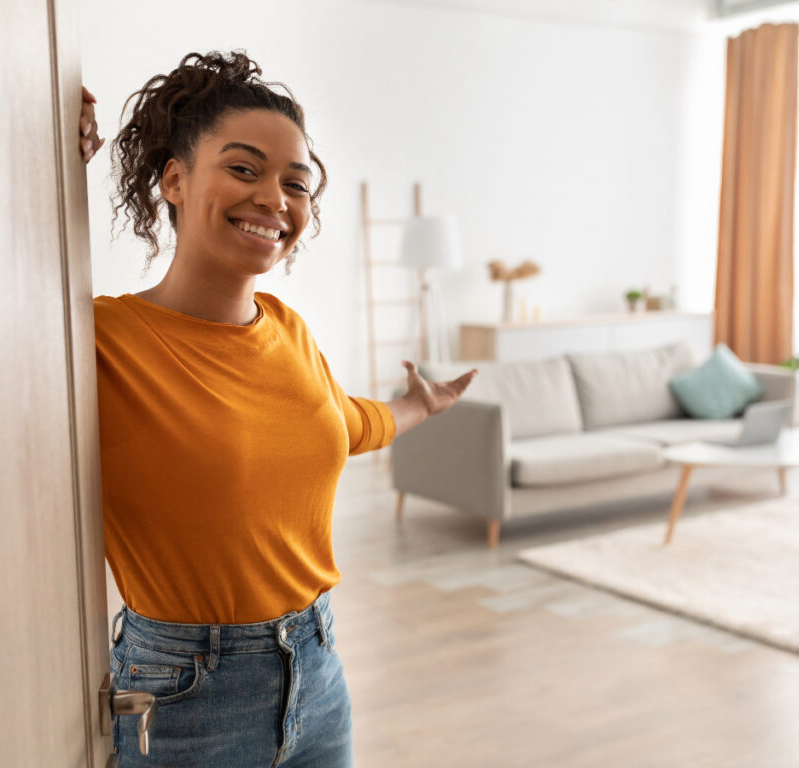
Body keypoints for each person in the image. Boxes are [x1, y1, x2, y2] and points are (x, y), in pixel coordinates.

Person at [81, 50, 476, 767]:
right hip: (185, 696)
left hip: (318, 670)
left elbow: (340, 426)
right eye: (243, 168)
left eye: (296, 182)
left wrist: (417, 406)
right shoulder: (99, 339)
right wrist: (36, 154)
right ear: (174, 177)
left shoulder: (286, 327)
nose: (276, 198)